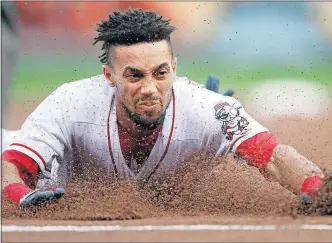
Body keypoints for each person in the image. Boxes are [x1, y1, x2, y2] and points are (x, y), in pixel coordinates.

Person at [1, 9, 326, 209]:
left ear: (174, 67)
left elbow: (274, 157)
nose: (149, 88)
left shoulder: (207, 108)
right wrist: (19, 195)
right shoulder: (70, 103)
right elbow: (11, 165)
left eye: (160, 73)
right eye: (134, 75)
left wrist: (317, 190)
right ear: (109, 76)